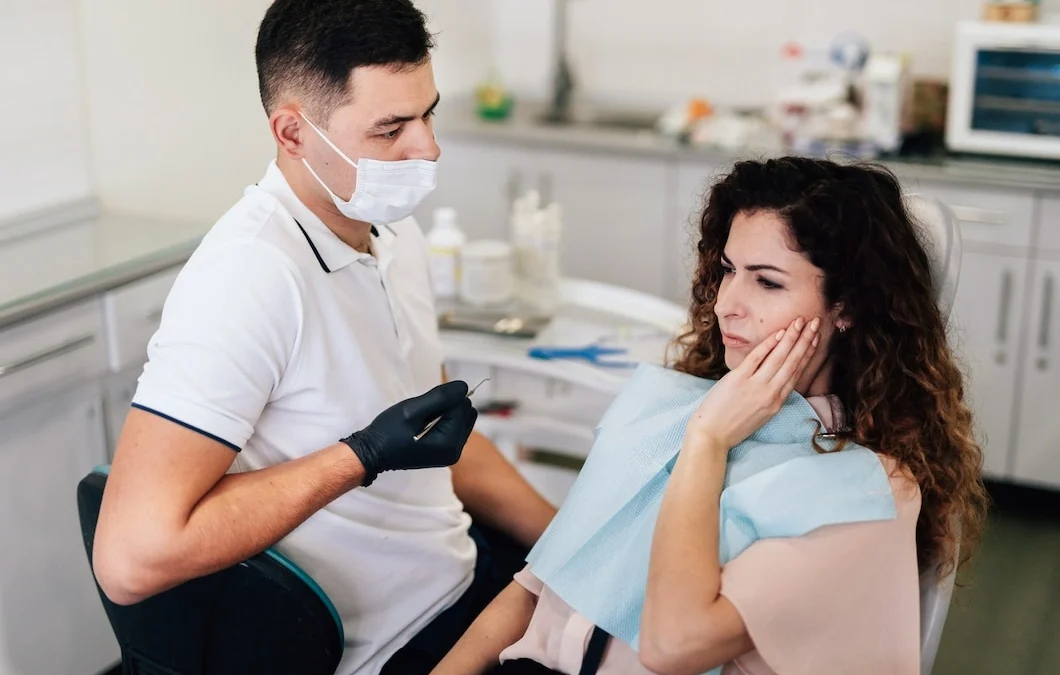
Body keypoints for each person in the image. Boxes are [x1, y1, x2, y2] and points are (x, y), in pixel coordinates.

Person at [91, 1, 556, 673]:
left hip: (455, 578)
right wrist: (361, 454)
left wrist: (564, 538)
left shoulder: (393, 232)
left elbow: (434, 435)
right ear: (292, 132)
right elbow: (131, 557)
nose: (427, 147)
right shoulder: (249, 277)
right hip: (381, 646)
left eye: (428, 113)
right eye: (391, 127)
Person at [431, 157, 989, 675]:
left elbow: (674, 645)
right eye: (727, 270)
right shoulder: (669, 408)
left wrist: (707, 442)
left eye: (767, 281)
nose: (726, 303)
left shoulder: (865, 490)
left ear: (847, 307)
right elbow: (537, 585)